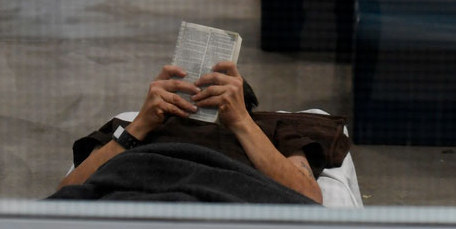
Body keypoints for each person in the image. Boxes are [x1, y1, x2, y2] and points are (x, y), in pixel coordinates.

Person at [51, 61, 349, 204]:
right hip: (138, 194)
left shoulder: (267, 129)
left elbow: (308, 196)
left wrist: (241, 122)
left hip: (225, 200)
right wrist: (141, 123)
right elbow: (69, 190)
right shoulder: (131, 128)